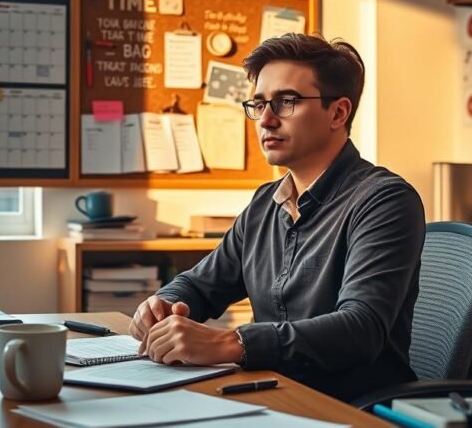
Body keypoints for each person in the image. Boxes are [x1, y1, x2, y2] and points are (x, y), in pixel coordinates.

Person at [128, 33, 426, 402]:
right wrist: (163, 305)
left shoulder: (384, 200)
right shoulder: (265, 203)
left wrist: (232, 342)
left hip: (353, 410)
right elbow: (203, 285)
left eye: (287, 102)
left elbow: (360, 329)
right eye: (258, 103)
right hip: (271, 394)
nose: (266, 120)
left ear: (338, 112)